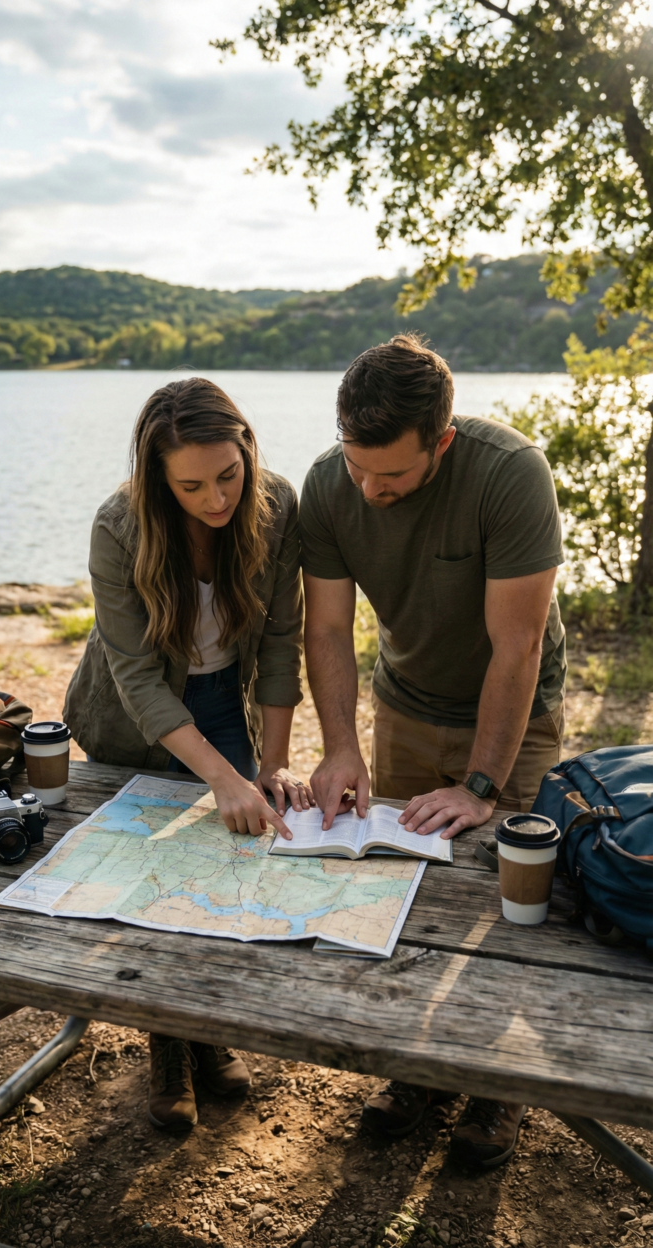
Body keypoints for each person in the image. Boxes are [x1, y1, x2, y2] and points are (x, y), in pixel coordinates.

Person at [300, 334, 566, 1169]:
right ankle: (420, 1068)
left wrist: (483, 783)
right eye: (358, 468)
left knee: (503, 908)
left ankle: (496, 1090)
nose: (372, 491)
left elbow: (516, 649)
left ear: (441, 443)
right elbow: (329, 629)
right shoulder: (327, 485)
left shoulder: (508, 471)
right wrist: (340, 747)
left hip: (514, 711)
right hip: (406, 704)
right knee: (405, 889)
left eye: (396, 477)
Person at [65, 376, 309, 1132]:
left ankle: (205, 1032)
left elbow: (278, 638)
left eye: (229, 475)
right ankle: (167, 1047)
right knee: (153, 875)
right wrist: (219, 777)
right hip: (134, 715)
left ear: (247, 450)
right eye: (192, 485)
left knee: (223, 865)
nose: (216, 500)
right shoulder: (119, 527)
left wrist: (268, 763)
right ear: (157, 478)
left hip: (221, 699)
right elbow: (136, 675)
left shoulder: (277, 504)